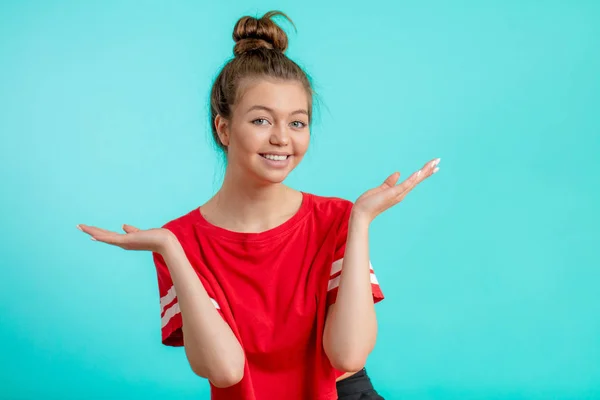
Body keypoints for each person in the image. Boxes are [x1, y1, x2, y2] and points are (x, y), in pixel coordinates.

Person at [77, 10, 440, 400]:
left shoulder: (337, 219)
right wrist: (170, 249)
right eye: (262, 121)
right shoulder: (179, 240)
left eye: (297, 123)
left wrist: (362, 220)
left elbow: (348, 354)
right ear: (224, 129)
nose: (282, 139)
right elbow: (224, 370)